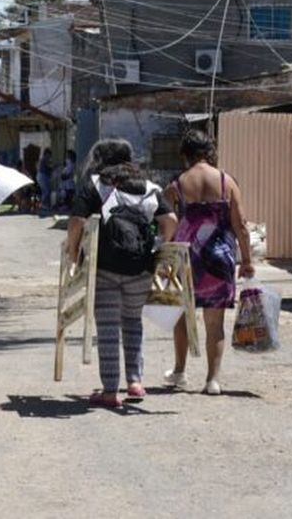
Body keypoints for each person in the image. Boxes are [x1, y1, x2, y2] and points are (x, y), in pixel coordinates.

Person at [66, 139, 177, 408]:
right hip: (141, 268)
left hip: (105, 267)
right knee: (132, 321)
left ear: (101, 160)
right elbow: (170, 220)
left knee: (107, 328)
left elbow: (77, 221)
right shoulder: (148, 187)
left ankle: (109, 391)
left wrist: (73, 252)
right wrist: (159, 244)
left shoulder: (95, 185)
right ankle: (135, 382)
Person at [163, 129, 254, 396]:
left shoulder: (176, 185)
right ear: (210, 152)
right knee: (215, 323)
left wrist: (163, 255)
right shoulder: (227, 182)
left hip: (185, 257)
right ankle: (212, 380)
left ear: (186, 154)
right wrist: (246, 260)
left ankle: (180, 372)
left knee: (180, 317)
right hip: (219, 257)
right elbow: (241, 225)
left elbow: (167, 224)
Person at [37, 148, 53, 213]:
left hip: (42, 176)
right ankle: (44, 205)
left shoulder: (43, 160)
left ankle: (45, 205)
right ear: (46, 154)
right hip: (42, 176)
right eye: (49, 155)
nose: (50, 157)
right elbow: (47, 169)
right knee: (46, 191)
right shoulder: (44, 159)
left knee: (45, 191)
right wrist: (52, 168)